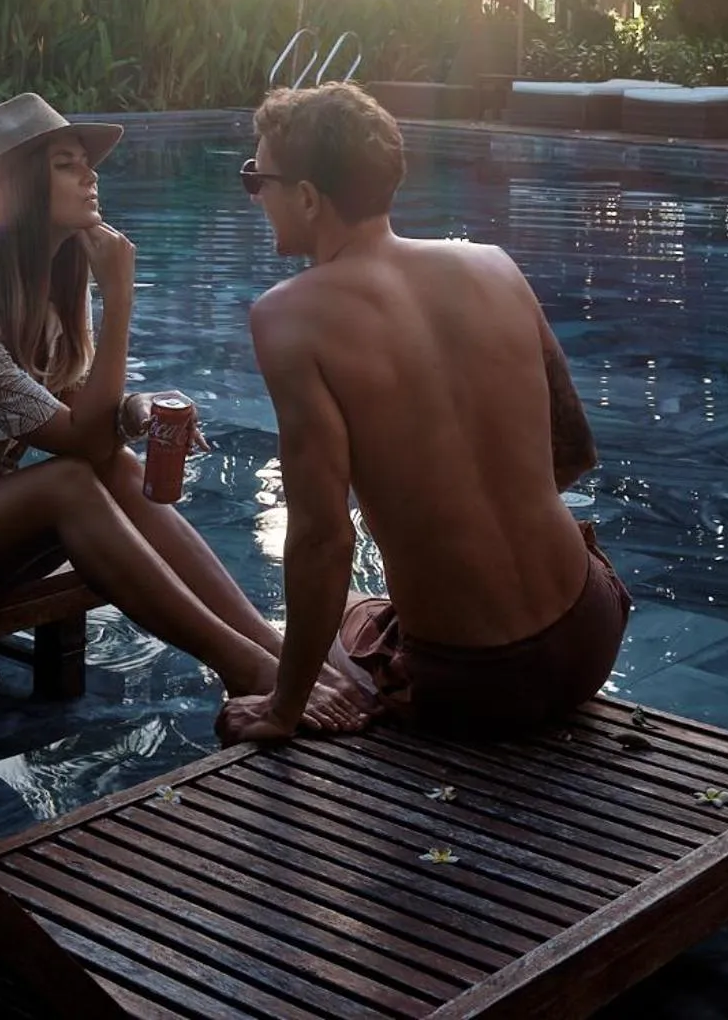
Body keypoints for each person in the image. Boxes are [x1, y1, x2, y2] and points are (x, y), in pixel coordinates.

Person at [0, 92, 354, 725]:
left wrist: (135, 410)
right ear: (20, 187)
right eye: (67, 164)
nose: (91, 175)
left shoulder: (38, 294)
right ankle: (249, 670)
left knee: (117, 471)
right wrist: (121, 294)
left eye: (86, 163)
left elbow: (88, 421)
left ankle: (281, 658)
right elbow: (79, 444)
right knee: (71, 484)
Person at [217, 81, 630, 745]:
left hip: (474, 684)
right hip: (590, 634)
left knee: (290, 631)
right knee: (359, 609)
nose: (255, 195)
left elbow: (322, 541)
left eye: (256, 178)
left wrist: (281, 710)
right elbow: (568, 452)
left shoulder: (288, 317)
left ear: (305, 197)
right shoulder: (493, 265)